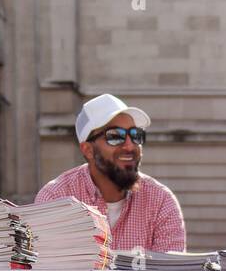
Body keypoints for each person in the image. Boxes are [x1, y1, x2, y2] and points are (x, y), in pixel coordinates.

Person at [35, 93, 186, 252]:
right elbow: (45, 266)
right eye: (115, 136)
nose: (130, 146)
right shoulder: (55, 200)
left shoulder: (161, 201)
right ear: (88, 150)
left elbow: (171, 268)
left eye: (135, 135)